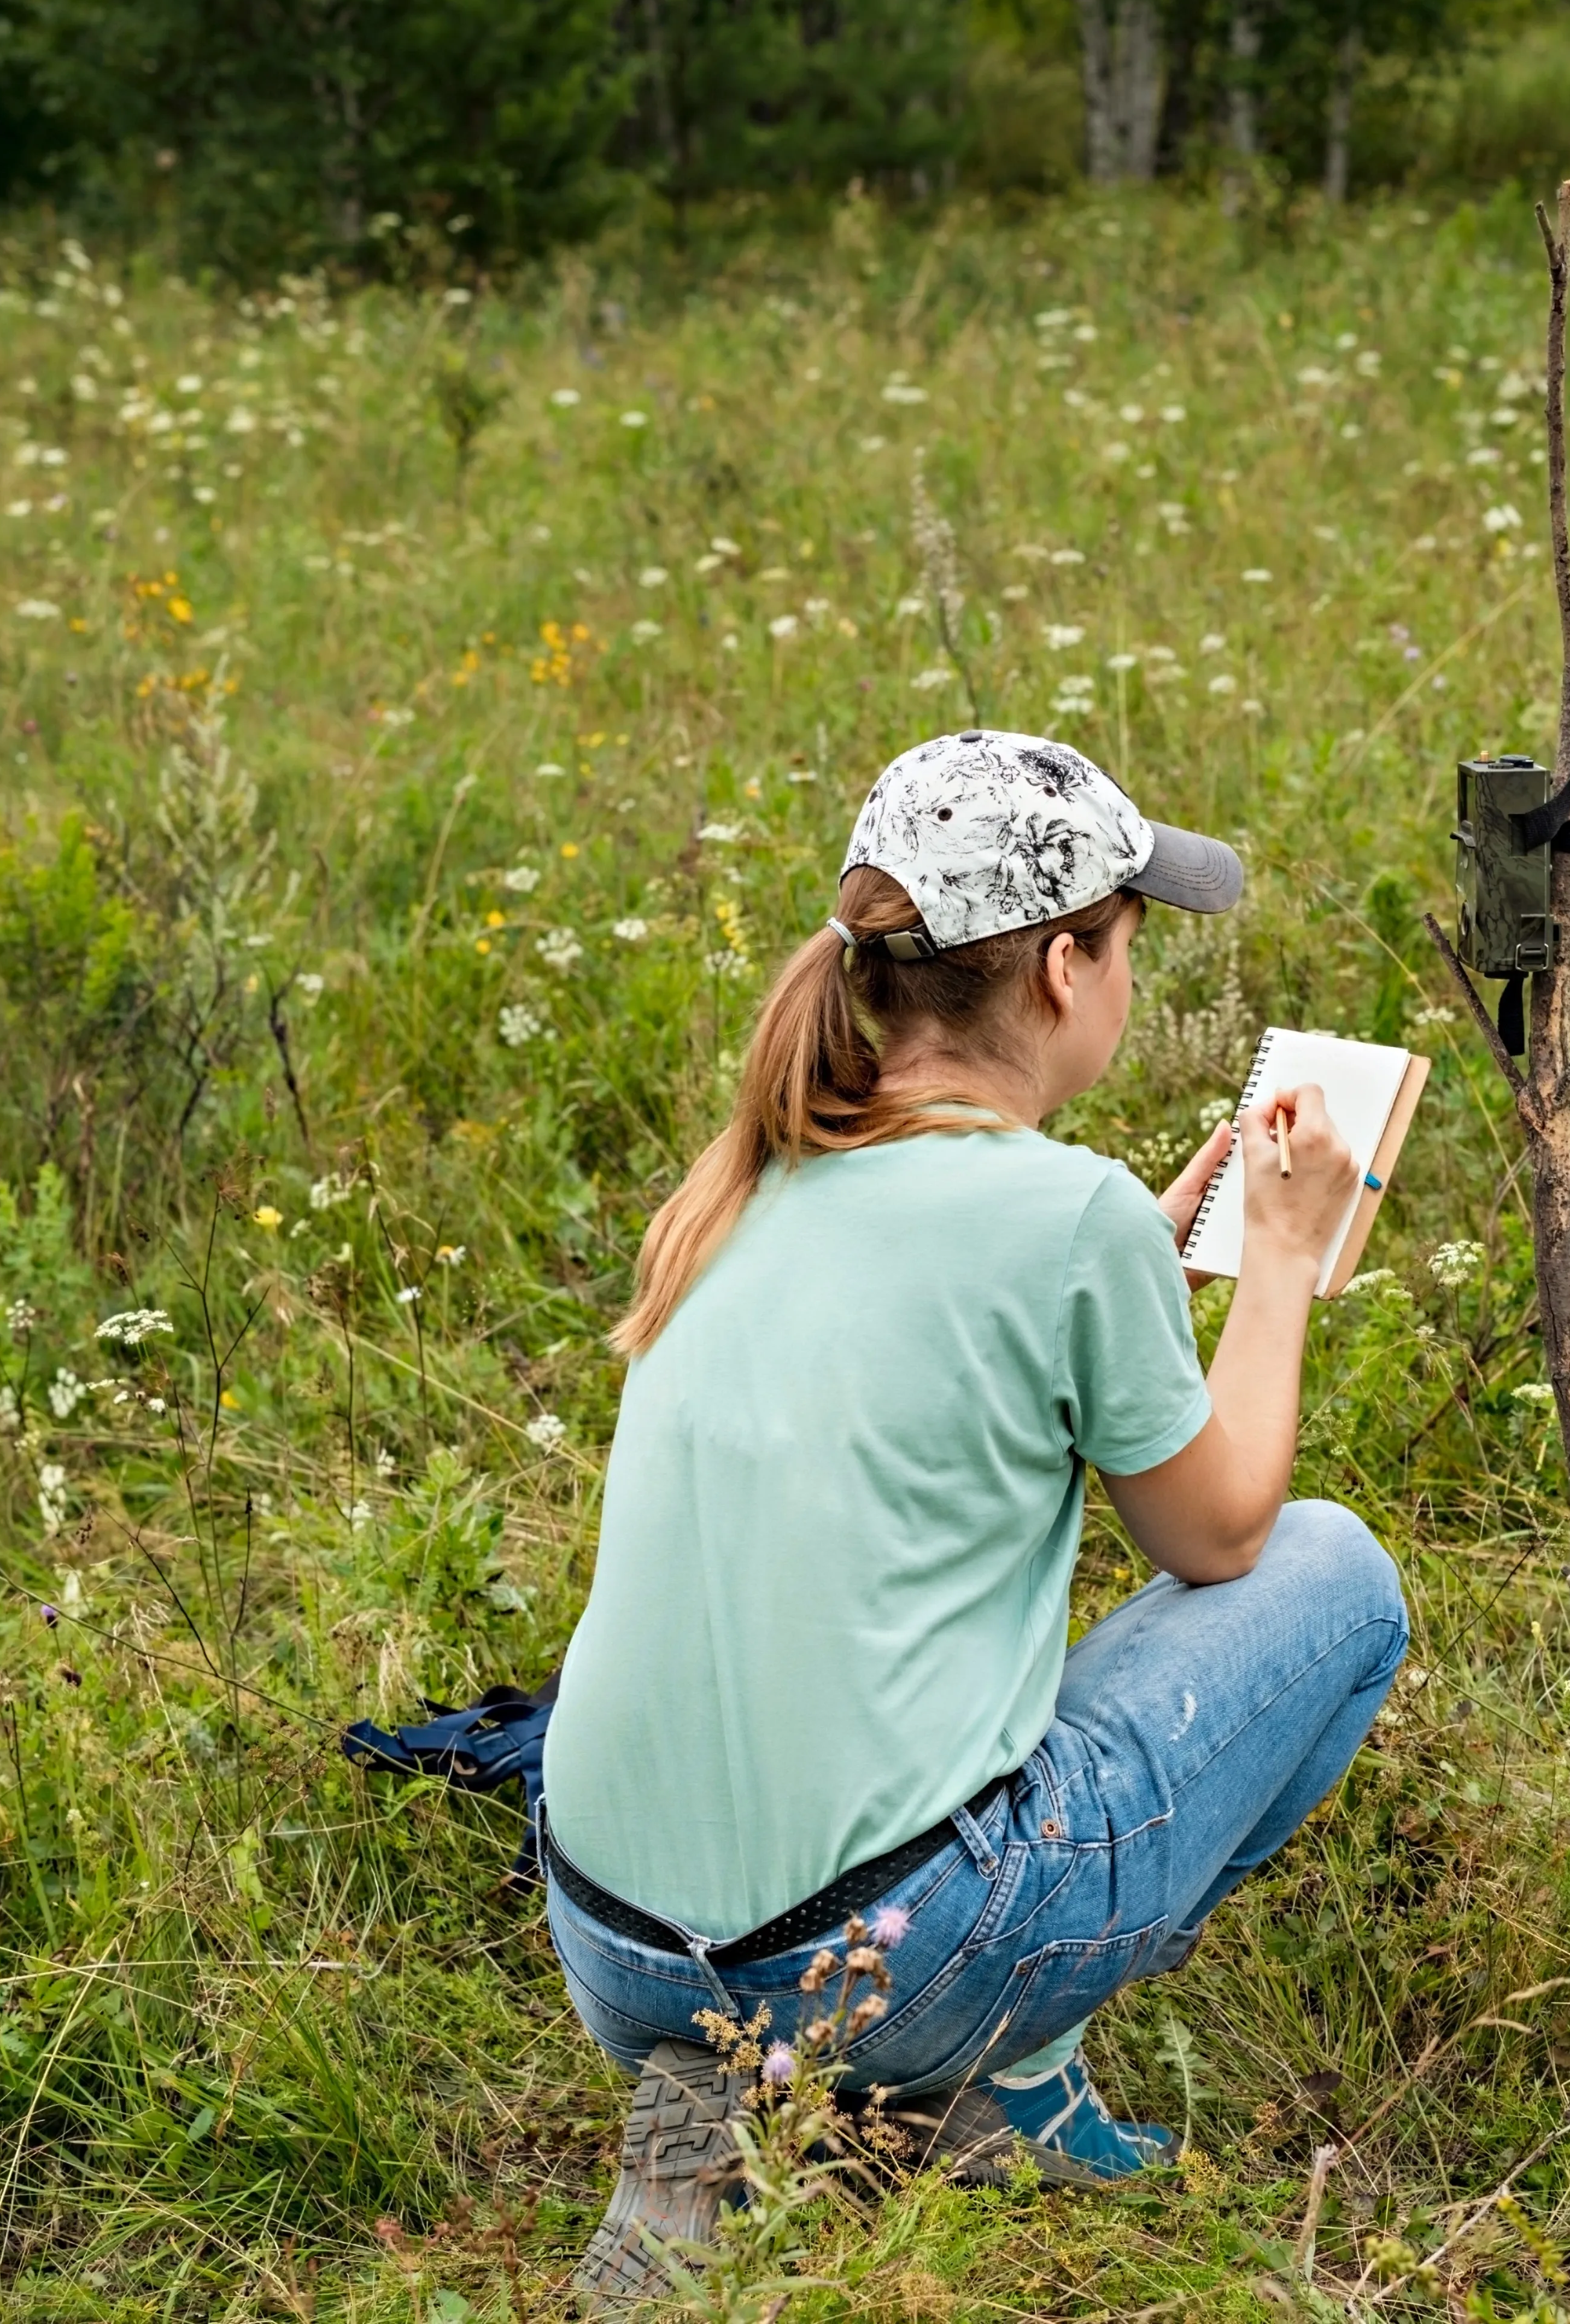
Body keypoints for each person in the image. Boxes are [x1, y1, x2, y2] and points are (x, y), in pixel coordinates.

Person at [538, 728, 1410, 2300]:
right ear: (1065, 969)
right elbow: (1217, 1540)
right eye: (1130, 946)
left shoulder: (748, 1175)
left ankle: (720, 2095)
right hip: (877, 1958)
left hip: (607, 1933)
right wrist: (1274, 1259)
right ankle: (987, 2083)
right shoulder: (1058, 1216)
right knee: (1336, 1580)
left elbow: (935, 1361)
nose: (1129, 981)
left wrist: (1137, 1261)